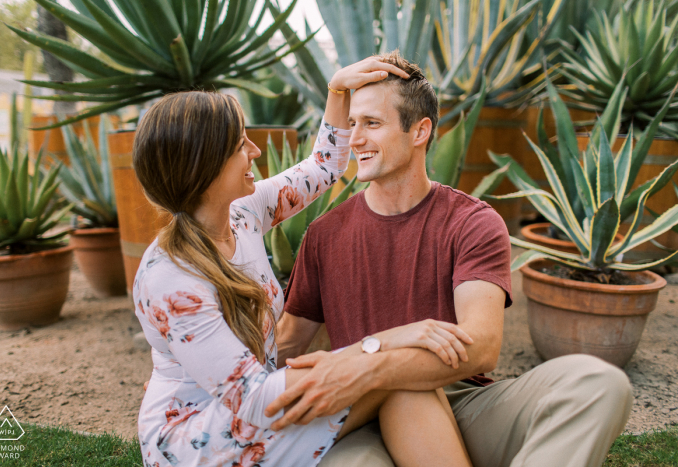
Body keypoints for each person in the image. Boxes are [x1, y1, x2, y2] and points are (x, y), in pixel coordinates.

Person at [271, 51, 634, 467]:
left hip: (467, 403)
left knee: (598, 382)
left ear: (420, 131)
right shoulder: (324, 235)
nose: (354, 139)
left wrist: (376, 362)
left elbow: (480, 347)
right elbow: (288, 345)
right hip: (367, 414)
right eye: (352, 124)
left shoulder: (472, 222)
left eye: (372, 123)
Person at [131, 58, 477, 467]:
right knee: (389, 374)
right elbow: (254, 397)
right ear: (205, 166)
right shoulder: (170, 280)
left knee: (396, 379)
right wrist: (385, 341)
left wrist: (337, 90)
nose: (255, 151)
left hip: (258, 400)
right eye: (241, 145)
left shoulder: (241, 213)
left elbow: (324, 167)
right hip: (202, 435)